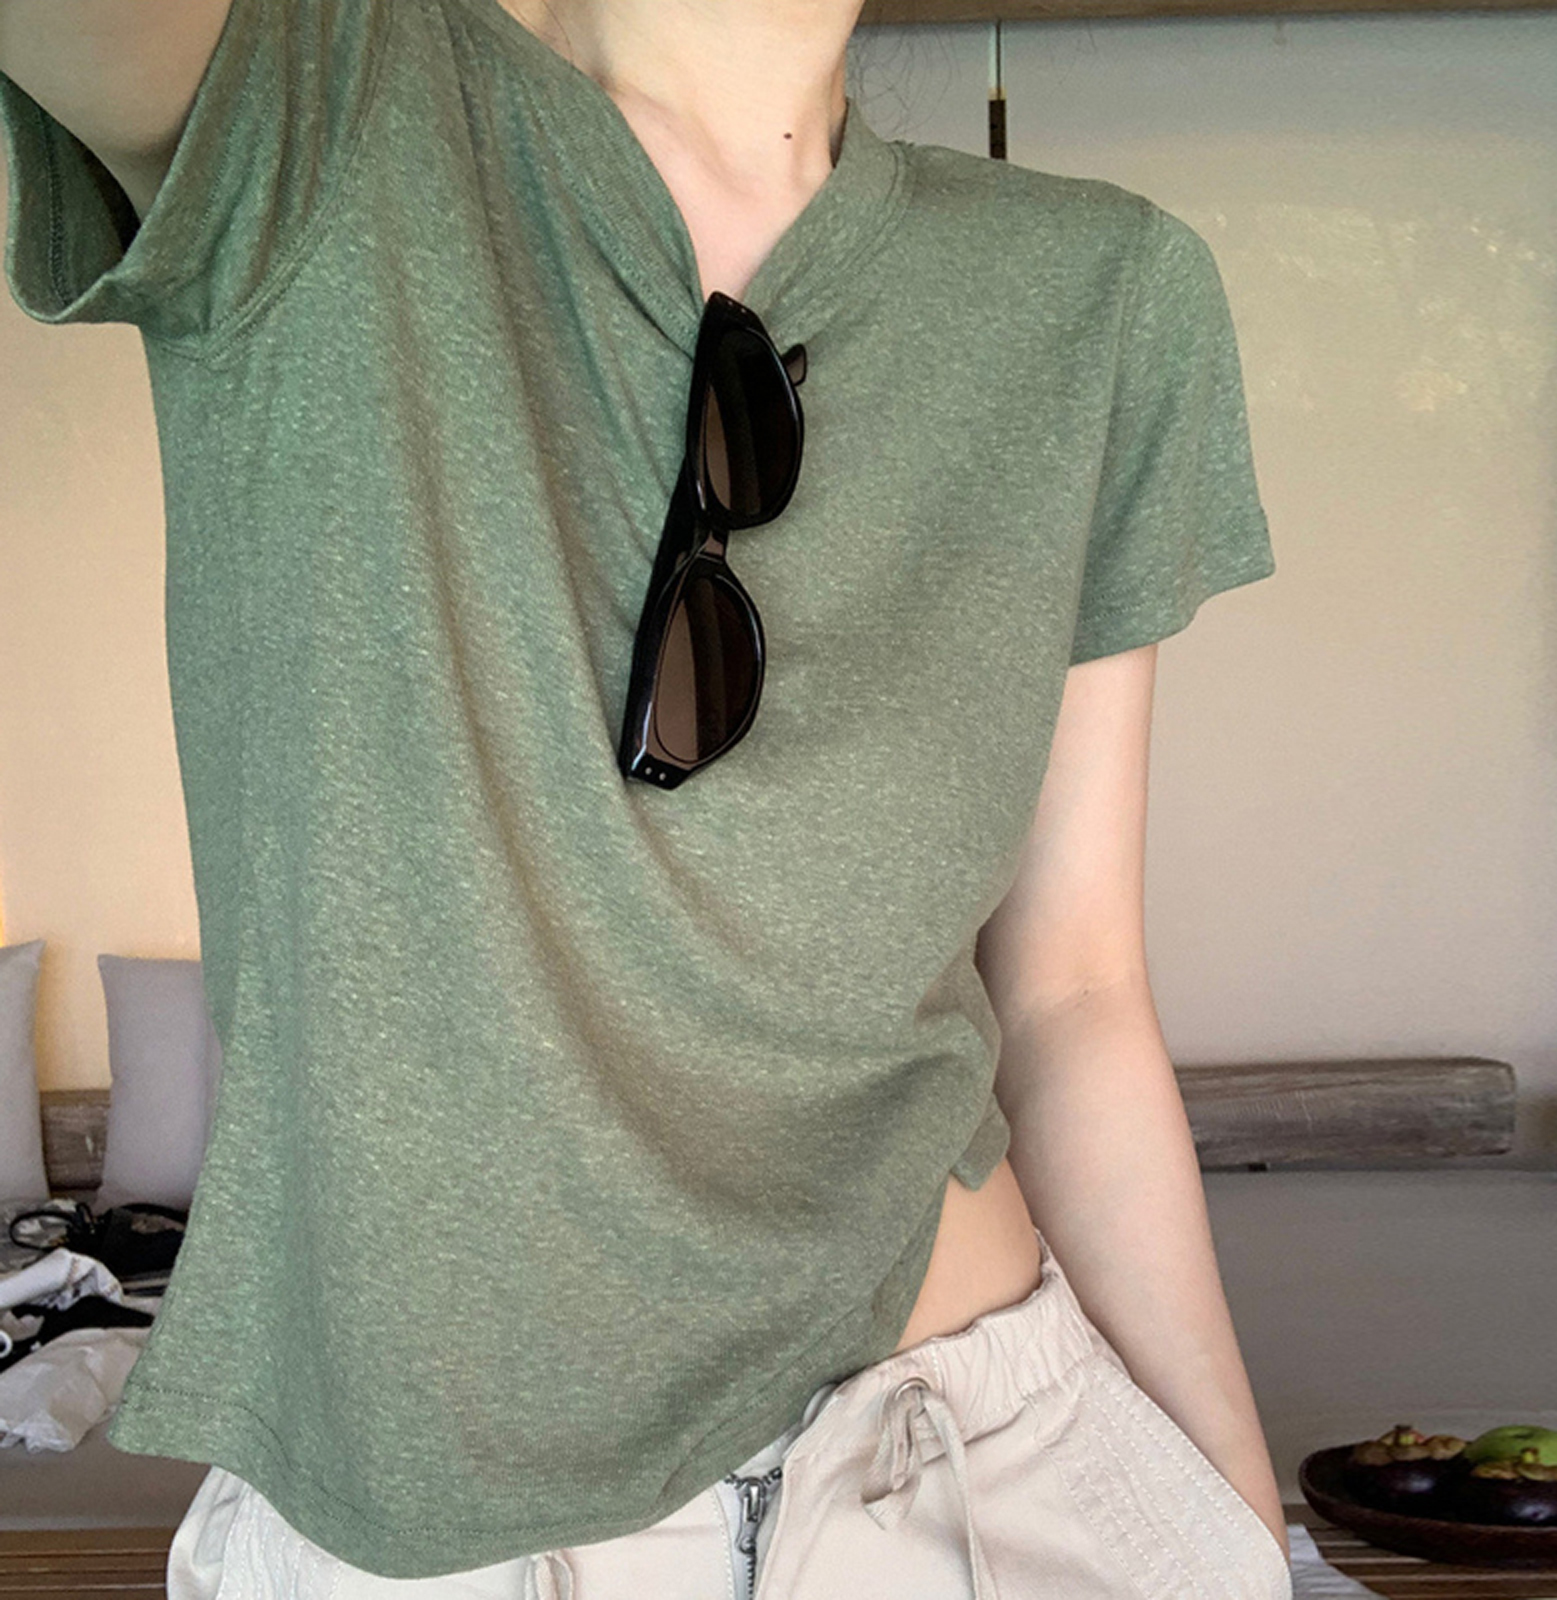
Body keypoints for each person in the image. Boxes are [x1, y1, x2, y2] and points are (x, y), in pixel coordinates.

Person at [0, 0, 1293, 1594]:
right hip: (445, 1536)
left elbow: (1076, 992)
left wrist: (1238, 1536)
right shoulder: (310, 99)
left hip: (988, 1465)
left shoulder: (1101, 291)